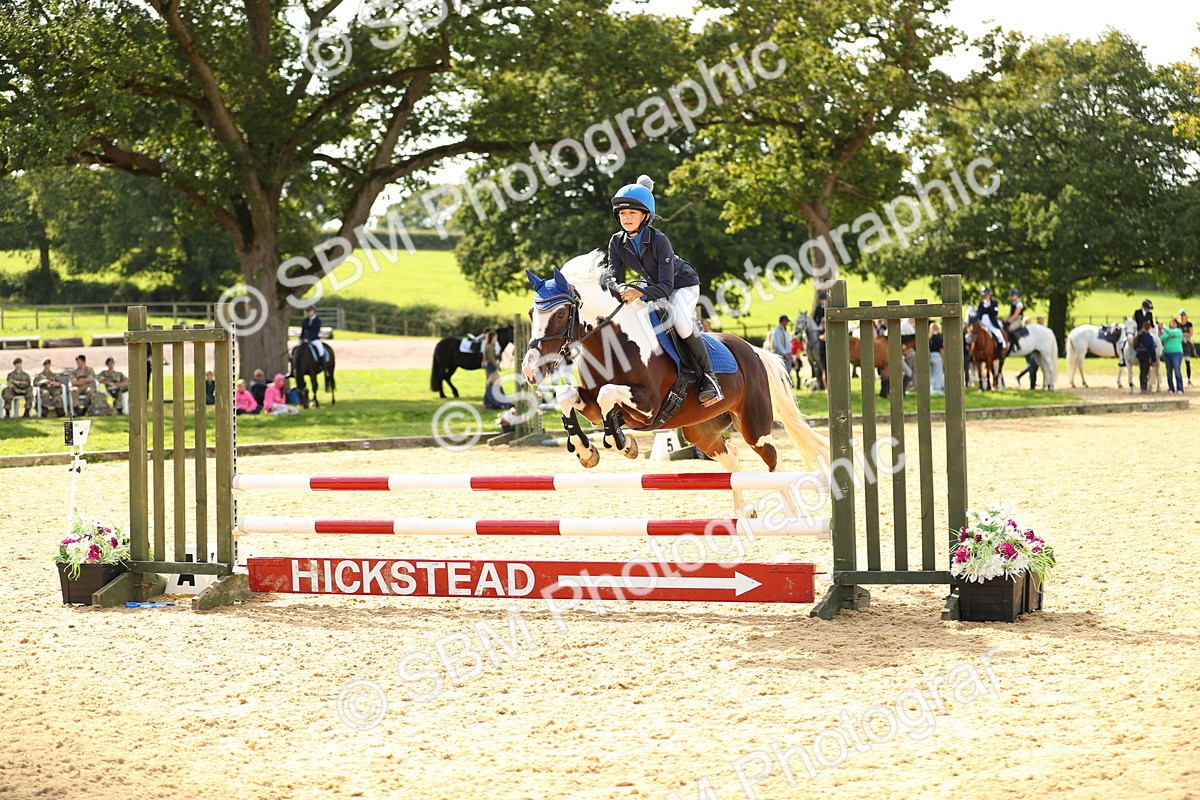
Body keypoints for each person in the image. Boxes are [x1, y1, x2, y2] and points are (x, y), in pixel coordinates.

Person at [607, 174, 722, 405]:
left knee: (679, 319)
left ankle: (709, 377)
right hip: (652, 286)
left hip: (683, 285)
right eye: (622, 213)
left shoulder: (659, 240)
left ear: (645, 215)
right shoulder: (616, 242)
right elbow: (612, 279)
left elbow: (667, 286)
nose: (626, 218)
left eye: (632, 213)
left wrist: (639, 292)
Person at [481, 329, 512, 410]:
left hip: (491, 366)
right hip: (491, 367)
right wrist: (498, 367)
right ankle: (494, 402)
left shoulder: (491, 346)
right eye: (495, 337)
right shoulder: (490, 347)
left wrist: (499, 355)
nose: (496, 339)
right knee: (493, 384)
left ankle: (488, 401)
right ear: (492, 337)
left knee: (492, 384)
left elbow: (493, 357)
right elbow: (491, 359)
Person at [1161, 318, 1184, 394]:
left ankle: (1180, 388)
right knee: (1169, 372)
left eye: (1174, 323)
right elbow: (1162, 338)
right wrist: (1169, 335)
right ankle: (1171, 388)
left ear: (1177, 324)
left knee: (1177, 370)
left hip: (1177, 353)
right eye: (1171, 323)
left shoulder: (1178, 331)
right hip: (1167, 353)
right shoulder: (1168, 332)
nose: (1173, 324)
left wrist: (1165, 328)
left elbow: (1172, 333)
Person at [1134, 321, 1157, 393]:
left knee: (1141, 371)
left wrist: (1138, 350)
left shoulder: (1139, 336)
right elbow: (1152, 349)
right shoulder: (1149, 337)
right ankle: (1144, 388)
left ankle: (1142, 388)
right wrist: (1154, 359)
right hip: (1147, 356)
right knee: (1145, 372)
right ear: (1149, 328)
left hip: (1140, 355)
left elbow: (1135, 345)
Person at [929, 321, 945, 396]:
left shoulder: (929, 337)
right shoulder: (938, 337)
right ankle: (937, 389)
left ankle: (931, 388)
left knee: (931, 373)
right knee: (938, 373)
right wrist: (943, 357)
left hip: (930, 356)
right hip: (937, 356)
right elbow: (941, 348)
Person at [1179, 310, 1193, 386]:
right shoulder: (1178, 325)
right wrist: (1185, 334)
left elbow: (1190, 334)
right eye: (1181, 316)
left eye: (1183, 316)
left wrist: (1182, 334)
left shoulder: (1189, 324)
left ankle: (1189, 379)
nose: (1182, 317)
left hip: (1187, 344)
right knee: (1178, 363)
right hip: (1180, 344)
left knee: (1187, 362)